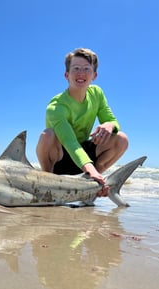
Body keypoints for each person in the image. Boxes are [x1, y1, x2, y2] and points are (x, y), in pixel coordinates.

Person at [36, 48, 128, 197]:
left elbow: (112, 121)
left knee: (121, 139)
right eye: (76, 68)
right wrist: (90, 169)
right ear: (67, 75)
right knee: (47, 135)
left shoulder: (97, 93)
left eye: (86, 69)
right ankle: (47, 184)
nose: (81, 73)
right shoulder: (56, 106)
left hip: (85, 154)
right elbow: (70, 142)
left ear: (94, 75)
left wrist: (110, 125)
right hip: (60, 157)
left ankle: (92, 184)